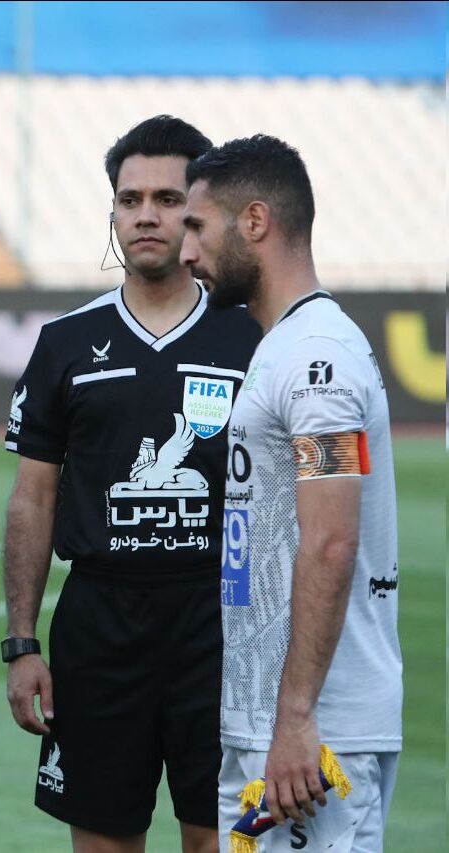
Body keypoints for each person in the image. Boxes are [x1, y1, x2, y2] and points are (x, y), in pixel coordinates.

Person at [1, 115, 260, 853]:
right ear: (112, 211)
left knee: (219, 838)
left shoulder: (251, 335)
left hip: (222, 618)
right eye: (129, 198)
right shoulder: (64, 342)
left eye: (168, 199)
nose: (146, 214)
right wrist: (21, 642)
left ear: (201, 211)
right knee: (105, 839)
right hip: (100, 622)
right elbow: (32, 498)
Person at [181, 134, 401, 852]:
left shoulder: (317, 361)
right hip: (272, 727)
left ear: (254, 221)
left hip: (315, 737)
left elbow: (332, 540)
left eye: (197, 226)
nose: (187, 251)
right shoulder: (286, 347)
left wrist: (298, 718)